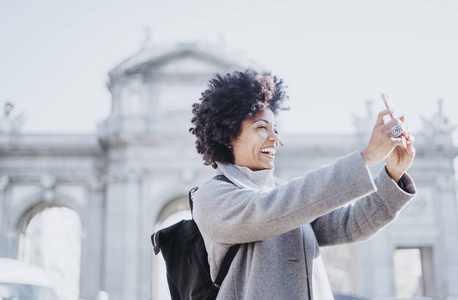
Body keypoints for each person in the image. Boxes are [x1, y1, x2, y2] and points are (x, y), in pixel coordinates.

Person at [189, 69, 416, 300]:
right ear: (228, 136)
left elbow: (351, 224)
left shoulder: (286, 195)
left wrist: (393, 174)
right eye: (261, 127)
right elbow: (273, 209)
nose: (275, 138)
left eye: (276, 129)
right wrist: (366, 157)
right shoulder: (212, 197)